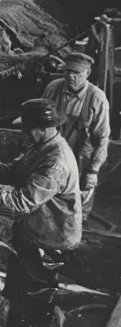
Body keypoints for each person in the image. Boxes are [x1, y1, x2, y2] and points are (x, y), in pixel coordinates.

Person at [0, 98, 82, 327]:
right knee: (18, 284)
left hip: (51, 238)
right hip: (33, 231)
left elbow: (23, 200)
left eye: (27, 128)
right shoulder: (41, 148)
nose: (24, 133)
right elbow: (15, 171)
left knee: (37, 293)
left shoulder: (56, 161)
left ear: (41, 128)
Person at [43, 52, 110, 221]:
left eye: (76, 73)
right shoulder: (53, 88)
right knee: (48, 202)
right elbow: (39, 122)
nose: (70, 76)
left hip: (81, 159)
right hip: (53, 154)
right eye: (67, 71)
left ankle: (74, 238)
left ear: (87, 73)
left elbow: (102, 138)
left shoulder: (97, 98)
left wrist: (93, 171)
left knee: (78, 208)